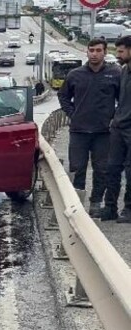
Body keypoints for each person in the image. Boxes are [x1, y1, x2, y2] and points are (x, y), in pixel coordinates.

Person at [58, 38, 121, 217]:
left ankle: (95, 203)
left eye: (98, 50)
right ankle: (77, 204)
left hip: (104, 132)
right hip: (79, 131)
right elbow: (63, 96)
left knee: (101, 169)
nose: (94, 54)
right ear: (87, 52)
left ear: (104, 52)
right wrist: (73, 114)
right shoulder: (75, 74)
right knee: (78, 168)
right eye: (91, 50)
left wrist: (114, 117)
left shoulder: (115, 73)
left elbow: (123, 99)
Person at [103, 35, 131, 222]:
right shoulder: (123, 71)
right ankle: (110, 207)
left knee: (130, 171)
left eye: (121, 51)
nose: (117, 54)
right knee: (112, 168)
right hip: (118, 128)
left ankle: (128, 209)